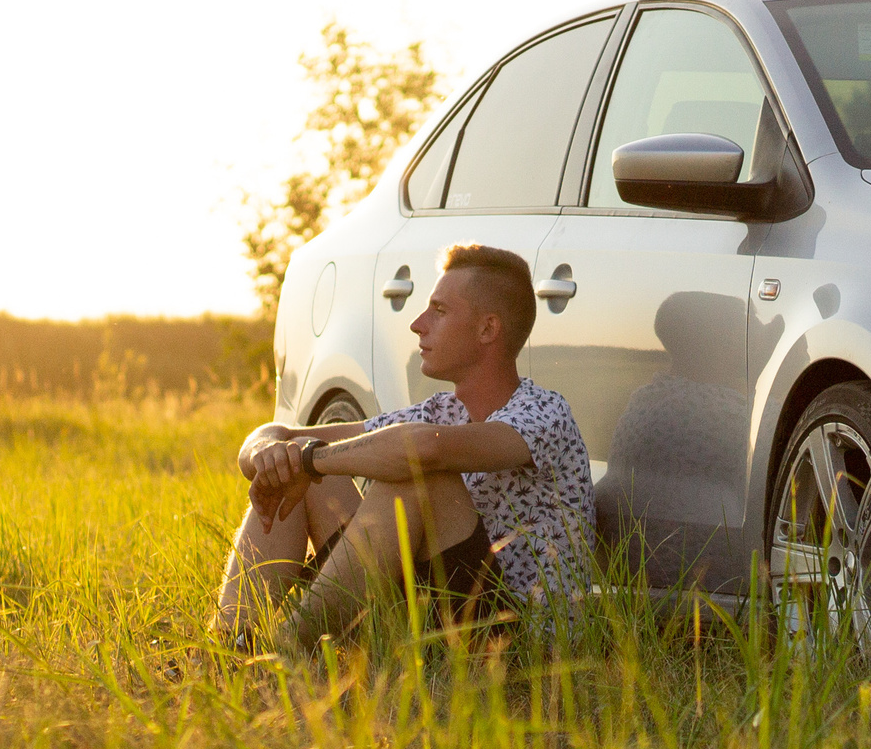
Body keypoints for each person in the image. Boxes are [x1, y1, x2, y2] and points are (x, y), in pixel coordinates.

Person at [213, 244, 594, 647]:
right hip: (431, 621)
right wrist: (275, 454)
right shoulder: (441, 410)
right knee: (298, 463)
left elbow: (423, 451)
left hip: (515, 645)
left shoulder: (545, 413)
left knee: (421, 479)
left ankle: (283, 653)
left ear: (487, 329)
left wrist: (310, 460)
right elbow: (278, 434)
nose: (417, 324)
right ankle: (227, 644)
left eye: (440, 311)